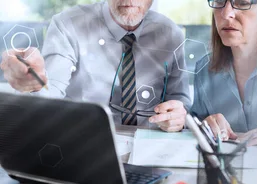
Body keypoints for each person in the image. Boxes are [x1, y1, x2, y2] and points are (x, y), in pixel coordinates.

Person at [0, 0, 190, 132]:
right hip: (82, 145)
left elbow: (180, 99)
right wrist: (34, 84)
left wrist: (178, 117)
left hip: (151, 149)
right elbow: (50, 92)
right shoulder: (68, 25)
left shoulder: (171, 34)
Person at [187, 0, 257, 146]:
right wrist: (205, 127)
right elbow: (194, 130)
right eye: (219, 1)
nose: (226, 14)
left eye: (242, 3)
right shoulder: (204, 69)